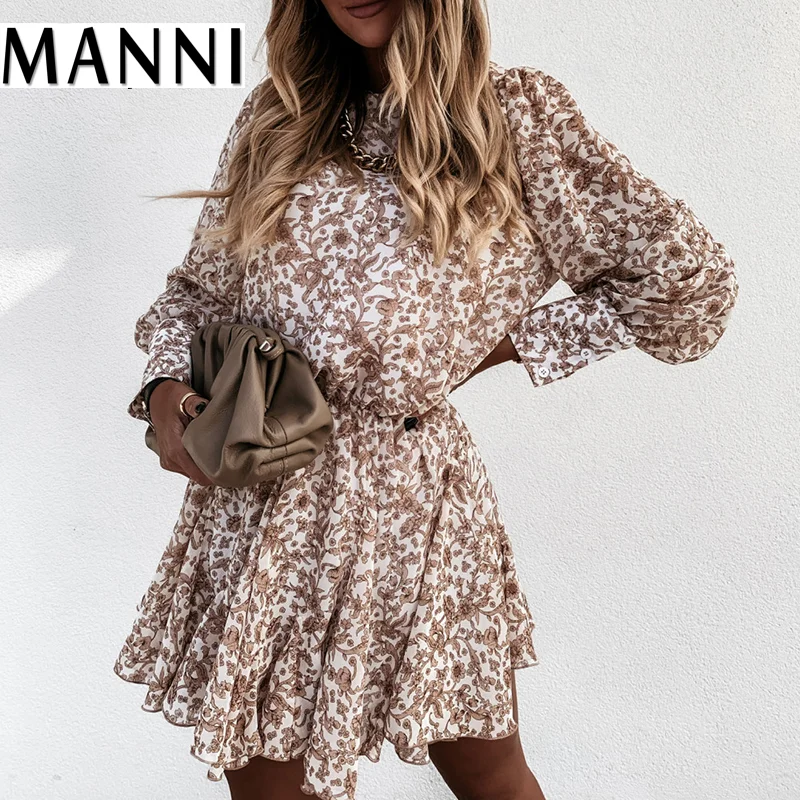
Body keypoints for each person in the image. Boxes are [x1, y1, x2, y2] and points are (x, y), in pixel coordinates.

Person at [113, 1, 739, 798]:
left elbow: (690, 284)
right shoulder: (280, 116)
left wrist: (499, 347)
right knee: (267, 784)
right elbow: (198, 293)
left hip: (412, 503)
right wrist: (166, 391)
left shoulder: (518, 117)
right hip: (261, 496)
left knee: (490, 778)